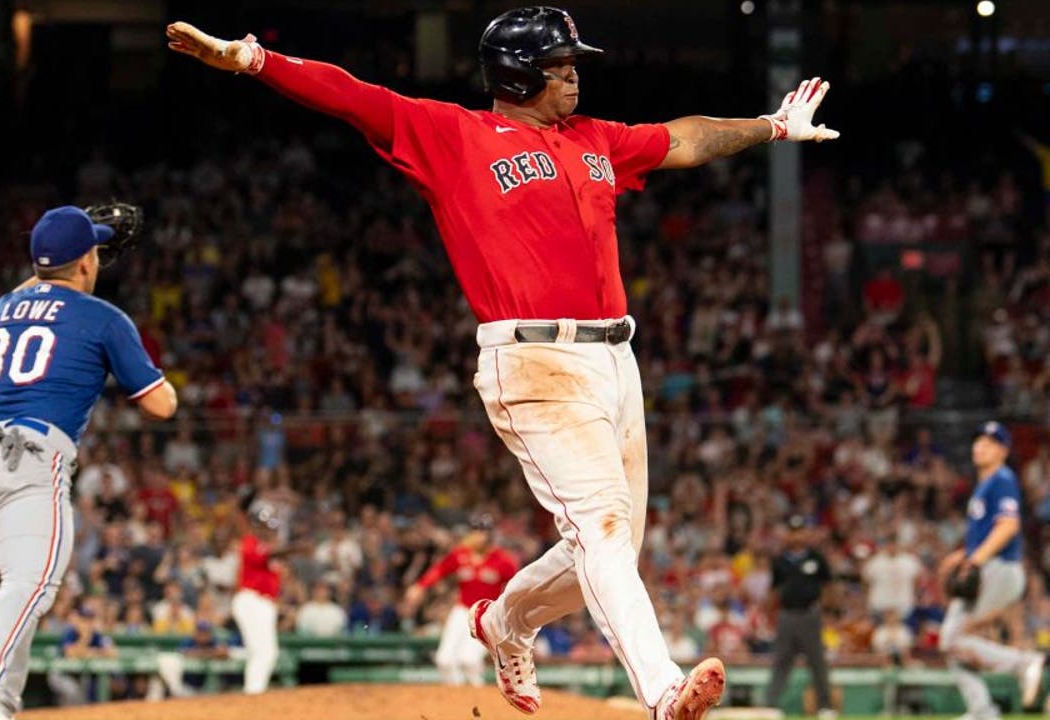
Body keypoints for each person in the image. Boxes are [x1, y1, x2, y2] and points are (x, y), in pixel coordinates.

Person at [166, 5, 838, 717]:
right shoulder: (454, 135)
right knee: (603, 529)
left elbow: (685, 140)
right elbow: (352, 95)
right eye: (561, 65)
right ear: (518, 75)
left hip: (617, 359)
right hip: (533, 360)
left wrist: (770, 127)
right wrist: (253, 60)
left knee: (606, 552)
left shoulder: (593, 138)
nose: (575, 75)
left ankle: (504, 622)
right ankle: (663, 690)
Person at [0, 205, 178, 720]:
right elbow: (160, 406)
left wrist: (75, 248)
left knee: (17, 585)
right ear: (88, 260)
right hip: (27, 461)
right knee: (32, 583)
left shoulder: (2, 306)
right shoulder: (104, 318)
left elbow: (40, 287)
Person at [937, 422, 1045, 720]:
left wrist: (974, 561)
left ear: (1003, 450)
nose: (979, 446)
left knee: (952, 639)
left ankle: (1022, 664)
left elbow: (1009, 526)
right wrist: (964, 555)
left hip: (999, 568)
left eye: (988, 442)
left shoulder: (1002, 479)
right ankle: (982, 711)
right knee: (950, 642)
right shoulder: (985, 485)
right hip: (990, 566)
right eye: (978, 441)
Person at [403, 512, 518, 686]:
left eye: (483, 531)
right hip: (462, 610)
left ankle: (478, 699)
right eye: (475, 530)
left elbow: (517, 586)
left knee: (468, 660)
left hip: (488, 614)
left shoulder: (502, 560)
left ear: (490, 534)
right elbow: (439, 570)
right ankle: (456, 700)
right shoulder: (460, 554)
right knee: (444, 660)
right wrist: (420, 586)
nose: (478, 535)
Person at [231, 503, 310, 694]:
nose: (269, 529)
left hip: (264, 603)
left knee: (267, 652)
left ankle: (254, 692)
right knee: (262, 652)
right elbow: (267, 556)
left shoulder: (268, 547)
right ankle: (253, 694)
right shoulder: (250, 542)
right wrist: (295, 549)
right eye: (266, 525)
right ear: (256, 525)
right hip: (251, 600)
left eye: (271, 526)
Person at [765, 516, 834, 717]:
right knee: (781, 661)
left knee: (817, 662)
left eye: (801, 530)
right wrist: (770, 616)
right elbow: (774, 591)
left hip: (810, 614)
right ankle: (772, 705)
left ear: (806, 533)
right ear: (788, 533)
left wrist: (828, 612)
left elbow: (828, 586)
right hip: (786, 615)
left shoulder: (816, 558)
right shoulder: (780, 560)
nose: (797, 535)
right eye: (793, 531)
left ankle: (825, 706)